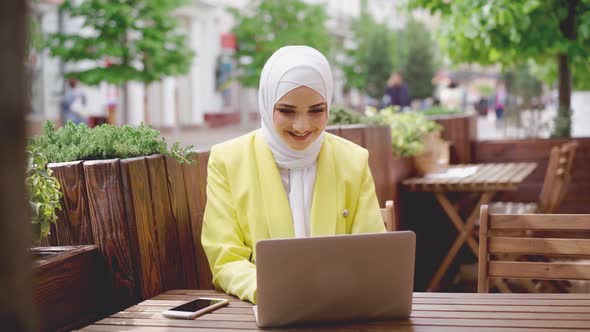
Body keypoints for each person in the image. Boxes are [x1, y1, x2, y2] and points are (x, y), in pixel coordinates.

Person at [201, 46, 386, 304]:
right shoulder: (229, 160)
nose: (302, 126)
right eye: (287, 111)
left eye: (316, 110)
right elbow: (226, 258)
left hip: (341, 309)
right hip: (265, 309)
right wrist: (273, 292)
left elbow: (372, 251)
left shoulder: (353, 160)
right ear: (267, 104)